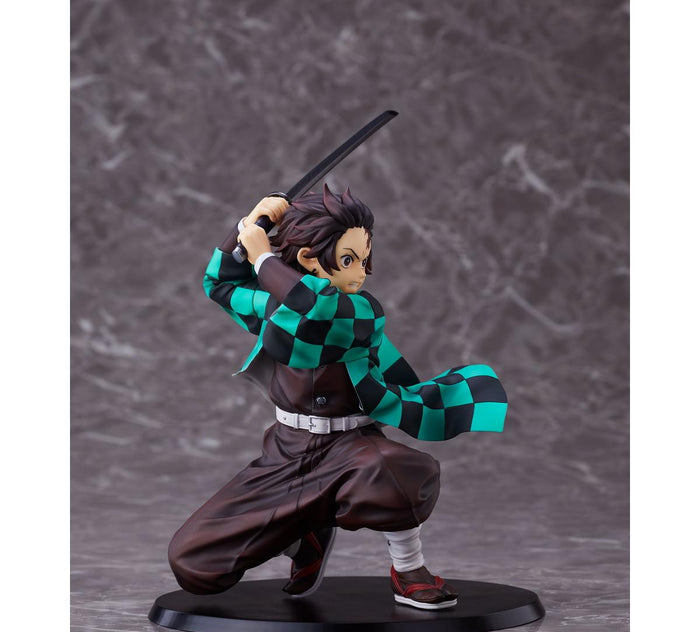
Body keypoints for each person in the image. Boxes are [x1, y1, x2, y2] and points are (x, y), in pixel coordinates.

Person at [168, 185, 507, 610]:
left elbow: (316, 308)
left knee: (399, 471)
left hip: (349, 447)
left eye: (363, 260)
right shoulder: (273, 306)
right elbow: (219, 283)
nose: (360, 273)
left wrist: (263, 258)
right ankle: (303, 532)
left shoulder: (359, 311)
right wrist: (247, 225)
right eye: (348, 260)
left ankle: (409, 569)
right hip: (286, 451)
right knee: (192, 564)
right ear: (309, 258)